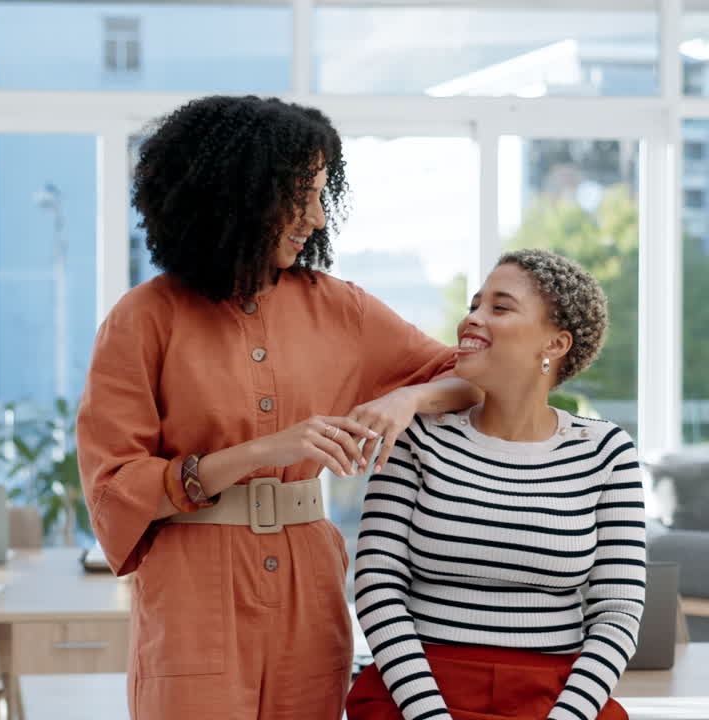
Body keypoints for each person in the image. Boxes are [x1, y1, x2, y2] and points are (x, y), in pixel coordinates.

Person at [76, 95, 481, 720]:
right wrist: (266, 451)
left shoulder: (341, 309)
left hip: (308, 581)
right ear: (237, 192)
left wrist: (407, 398)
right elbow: (113, 488)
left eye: (324, 194)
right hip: (193, 590)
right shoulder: (144, 318)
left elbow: (476, 378)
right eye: (301, 195)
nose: (318, 218)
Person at [348, 249, 645, 720]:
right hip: (415, 696)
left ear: (555, 343)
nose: (472, 320)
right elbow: (377, 584)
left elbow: (618, 610)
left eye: (499, 308)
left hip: (554, 698)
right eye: (473, 305)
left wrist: (568, 715)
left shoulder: (606, 452)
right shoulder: (418, 438)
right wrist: (429, 714)